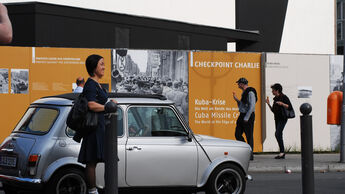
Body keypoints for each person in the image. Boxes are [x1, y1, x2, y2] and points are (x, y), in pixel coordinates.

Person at [77, 54, 116, 194]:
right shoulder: (90, 85)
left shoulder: (96, 84)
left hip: (100, 127)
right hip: (93, 128)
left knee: (100, 159)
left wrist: (109, 102)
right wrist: (107, 107)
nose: (104, 67)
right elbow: (91, 105)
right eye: (101, 64)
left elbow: (99, 101)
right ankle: (93, 191)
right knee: (91, 161)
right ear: (94, 67)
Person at [265, 83, 293, 159]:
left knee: (277, 134)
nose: (272, 92)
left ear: (277, 90)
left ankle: (282, 152)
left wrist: (282, 104)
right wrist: (268, 104)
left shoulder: (284, 97)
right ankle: (282, 152)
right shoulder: (275, 99)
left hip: (283, 118)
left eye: (273, 90)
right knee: (279, 134)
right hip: (277, 118)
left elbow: (290, 107)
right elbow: (273, 110)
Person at [233, 77, 257, 160]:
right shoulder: (244, 92)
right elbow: (242, 105)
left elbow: (252, 106)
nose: (238, 85)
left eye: (238, 83)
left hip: (248, 116)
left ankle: (250, 154)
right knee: (237, 134)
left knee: (249, 135)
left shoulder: (250, 92)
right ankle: (246, 150)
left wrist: (247, 117)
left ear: (242, 84)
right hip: (242, 115)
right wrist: (237, 100)